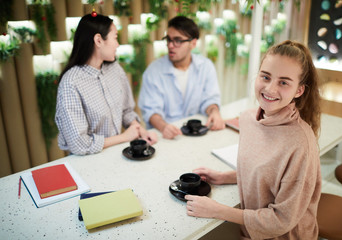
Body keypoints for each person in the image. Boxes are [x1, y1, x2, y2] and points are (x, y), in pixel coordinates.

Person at [185, 40, 322, 239]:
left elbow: (281, 220)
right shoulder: (248, 119)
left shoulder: (301, 143)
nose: (270, 89)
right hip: (250, 232)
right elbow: (266, 172)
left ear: (299, 90)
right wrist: (224, 177)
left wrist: (217, 210)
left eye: (283, 82)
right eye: (265, 76)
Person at [55, 13, 157, 155]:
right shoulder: (71, 83)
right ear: (98, 40)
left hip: (117, 155)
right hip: (89, 163)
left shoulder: (115, 69)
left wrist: (139, 129)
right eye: (115, 37)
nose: (117, 44)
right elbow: (80, 144)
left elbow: (126, 111)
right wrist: (124, 137)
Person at [138, 16, 225, 139]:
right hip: (167, 135)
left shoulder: (205, 66)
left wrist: (214, 112)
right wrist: (164, 127)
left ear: (193, 43)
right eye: (168, 39)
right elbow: (151, 111)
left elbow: (209, 100)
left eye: (178, 40)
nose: (170, 45)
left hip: (196, 133)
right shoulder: (153, 71)